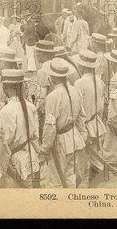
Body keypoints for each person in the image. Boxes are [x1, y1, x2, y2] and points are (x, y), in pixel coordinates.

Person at [40, 58, 86, 188]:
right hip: (74, 137)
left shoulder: (52, 97)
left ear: (53, 77)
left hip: (60, 142)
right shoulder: (75, 90)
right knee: (70, 174)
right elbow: (82, 116)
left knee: (55, 180)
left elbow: (50, 126)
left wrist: (45, 147)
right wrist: (82, 134)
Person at [0, 69, 41, 188]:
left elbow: (5, 143)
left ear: (5, 87)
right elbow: (35, 136)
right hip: (32, 157)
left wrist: (1, 168)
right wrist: (37, 154)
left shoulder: (6, 111)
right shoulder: (31, 106)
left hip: (17, 161)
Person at [73, 50, 106, 184]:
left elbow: (78, 109)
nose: (79, 67)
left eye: (80, 65)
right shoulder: (99, 81)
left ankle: (83, 185)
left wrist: (80, 128)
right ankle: (94, 183)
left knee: (81, 158)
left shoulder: (79, 83)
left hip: (85, 125)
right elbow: (102, 105)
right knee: (95, 156)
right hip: (97, 123)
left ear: (84, 66)